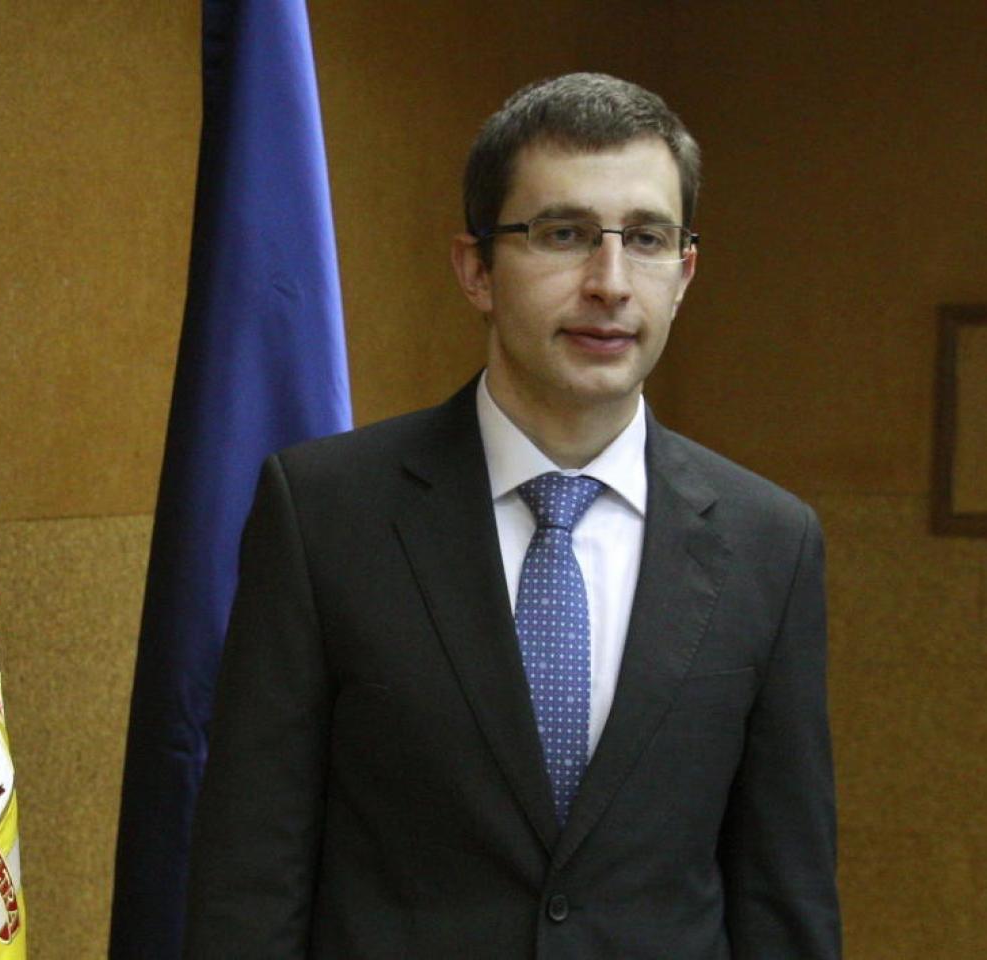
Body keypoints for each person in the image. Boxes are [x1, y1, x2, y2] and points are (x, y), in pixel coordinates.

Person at [182, 73, 841, 958]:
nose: (610, 283)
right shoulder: (325, 514)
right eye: (564, 234)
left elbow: (784, 895)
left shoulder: (772, 542)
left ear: (683, 274)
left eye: (645, 239)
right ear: (477, 270)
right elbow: (248, 881)